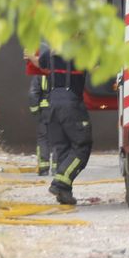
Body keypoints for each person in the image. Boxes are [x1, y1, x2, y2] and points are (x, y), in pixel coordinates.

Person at [40, 45, 93, 206]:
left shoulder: (49, 52)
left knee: (63, 147)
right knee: (82, 146)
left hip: (52, 106)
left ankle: (65, 193)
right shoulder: (82, 51)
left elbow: (38, 64)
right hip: (71, 105)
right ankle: (60, 184)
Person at [26, 50, 53, 176]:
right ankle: (58, 168)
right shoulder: (60, 72)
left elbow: (33, 94)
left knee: (43, 138)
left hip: (45, 112)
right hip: (59, 110)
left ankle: (43, 168)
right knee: (60, 138)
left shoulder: (39, 74)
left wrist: (35, 110)